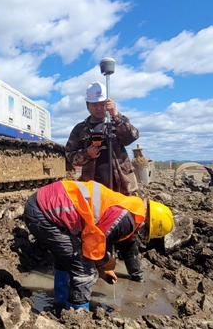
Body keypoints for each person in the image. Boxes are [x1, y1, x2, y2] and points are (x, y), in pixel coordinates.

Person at [23, 180, 174, 311]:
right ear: (147, 224)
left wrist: (104, 265)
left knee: (67, 256)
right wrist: (104, 264)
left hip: (42, 205)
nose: (140, 233)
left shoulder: (132, 207)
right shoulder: (126, 219)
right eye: (144, 232)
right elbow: (91, 245)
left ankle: (61, 302)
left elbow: (110, 240)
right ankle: (77, 316)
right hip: (43, 212)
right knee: (84, 271)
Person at [65, 82, 139, 196]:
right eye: (94, 105)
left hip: (122, 185)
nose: (99, 108)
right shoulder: (80, 129)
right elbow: (70, 155)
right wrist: (86, 154)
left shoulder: (116, 122)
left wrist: (116, 115)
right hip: (92, 187)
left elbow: (131, 137)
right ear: (87, 105)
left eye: (102, 104)